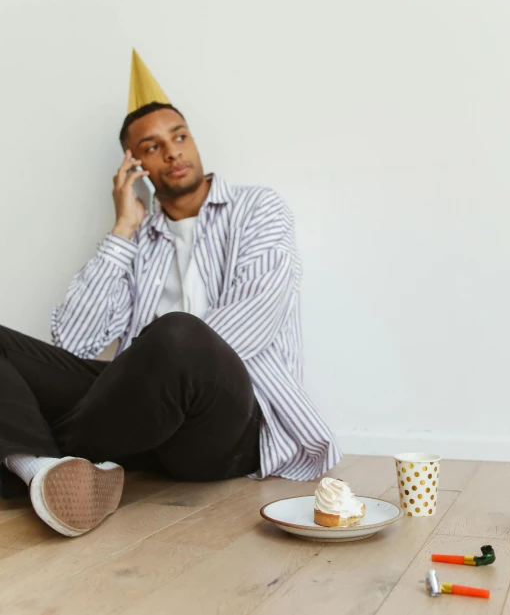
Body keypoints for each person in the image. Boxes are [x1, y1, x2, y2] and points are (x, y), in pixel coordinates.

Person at [0, 50, 341, 537]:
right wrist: (121, 230)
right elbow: (73, 341)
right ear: (135, 164)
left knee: (179, 334)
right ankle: (37, 469)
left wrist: (147, 365)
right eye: (153, 146)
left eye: (179, 136)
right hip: (137, 421)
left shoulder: (257, 209)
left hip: (225, 426)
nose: (173, 151)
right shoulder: (136, 240)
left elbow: (256, 317)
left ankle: (40, 450)